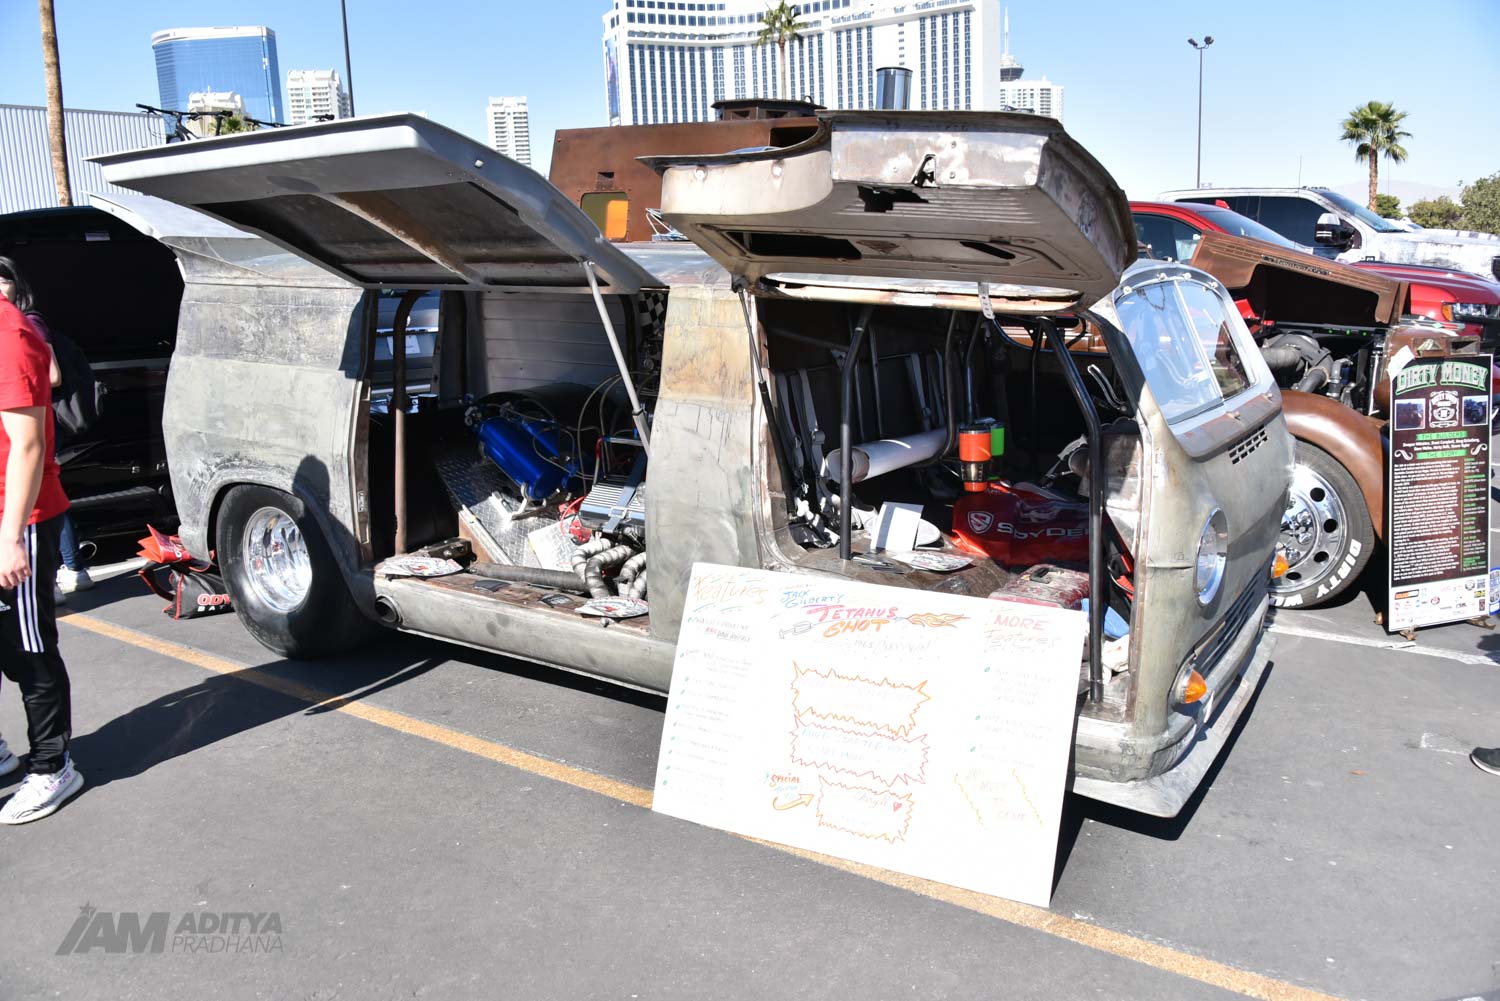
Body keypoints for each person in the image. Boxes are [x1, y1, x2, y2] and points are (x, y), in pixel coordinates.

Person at [0, 294, 82, 823]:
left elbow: (28, 446)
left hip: (19, 519)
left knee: (29, 648)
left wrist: (10, 538)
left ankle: (53, 766)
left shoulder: (9, 335)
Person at [0, 258, 92, 602]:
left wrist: (12, 537)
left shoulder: (20, 326)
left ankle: (71, 567)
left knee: (43, 481)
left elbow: (52, 375)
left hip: (31, 438)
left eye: (5, 280)